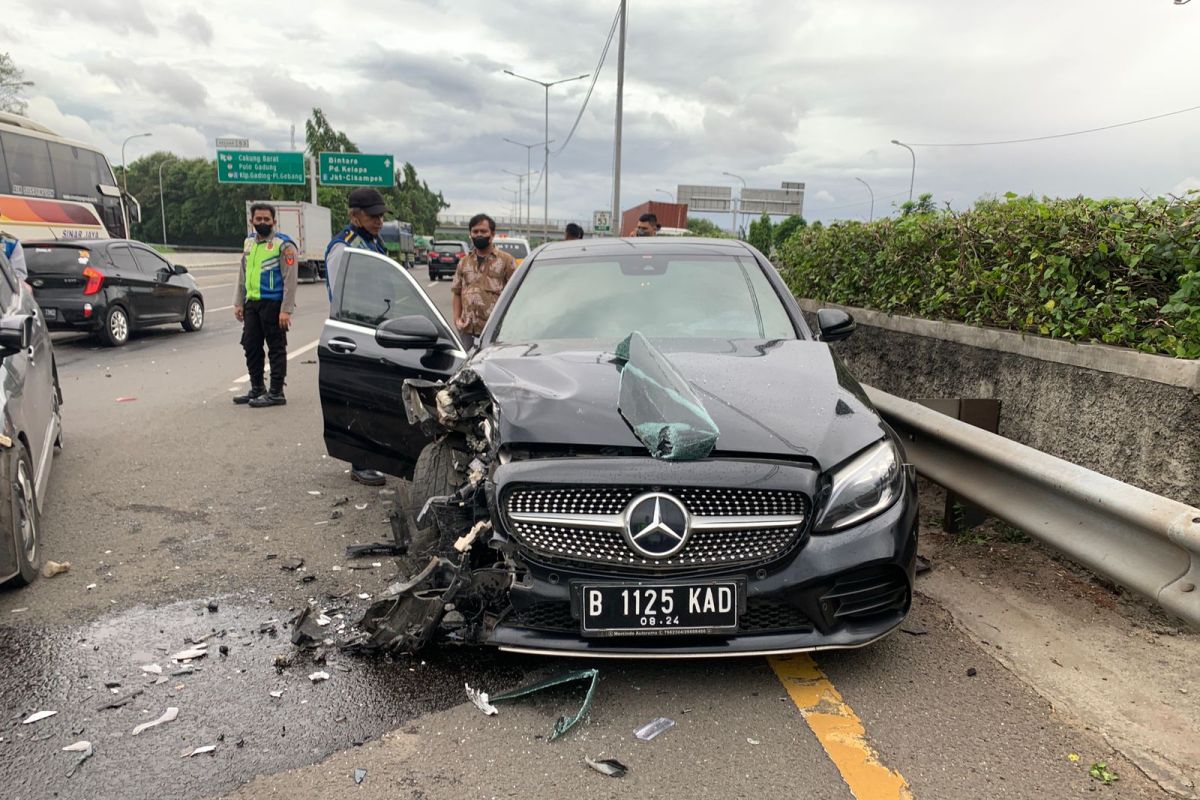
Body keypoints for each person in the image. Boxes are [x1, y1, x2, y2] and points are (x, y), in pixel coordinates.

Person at [324, 188, 389, 487]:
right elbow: (342, 296)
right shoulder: (344, 247)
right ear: (354, 215)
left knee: (377, 396)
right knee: (360, 397)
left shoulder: (375, 243)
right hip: (357, 331)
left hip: (378, 328)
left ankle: (375, 453)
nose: (379, 220)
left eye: (381, 215)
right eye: (373, 215)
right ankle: (360, 462)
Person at [233, 203, 298, 408]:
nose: (262, 223)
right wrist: (239, 302)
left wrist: (286, 310)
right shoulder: (249, 243)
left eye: (266, 219)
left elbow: (290, 279)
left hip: (274, 303)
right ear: (251, 221)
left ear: (274, 221)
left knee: (276, 348)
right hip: (252, 302)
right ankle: (257, 388)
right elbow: (243, 273)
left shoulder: (284, 245)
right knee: (250, 345)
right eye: (258, 219)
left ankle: (276, 392)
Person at [452, 213, 517, 351]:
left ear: (492, 234)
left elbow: (515, 295)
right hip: (467, 331)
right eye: (475, 231)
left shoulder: (506, 261)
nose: (479, 235)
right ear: (470, 234)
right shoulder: (463, 262)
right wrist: (457, 319)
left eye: (483, 231)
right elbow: (457, 292)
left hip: (495, 332)